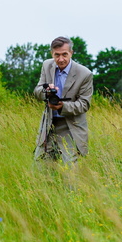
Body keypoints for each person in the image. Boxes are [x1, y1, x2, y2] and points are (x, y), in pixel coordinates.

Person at [34, 36, 93, 169]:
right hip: (49, 124)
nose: (61, 59)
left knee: (71, 168)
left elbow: (84, 104)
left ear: (71, 53)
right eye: (57, 55)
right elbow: (37, 91)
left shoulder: (85, 74)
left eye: (64, 54)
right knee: (40, 166)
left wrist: (63, 106)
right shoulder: (46, 65)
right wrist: (46, 92)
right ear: (52, 54)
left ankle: (72, 191)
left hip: (70, 125)